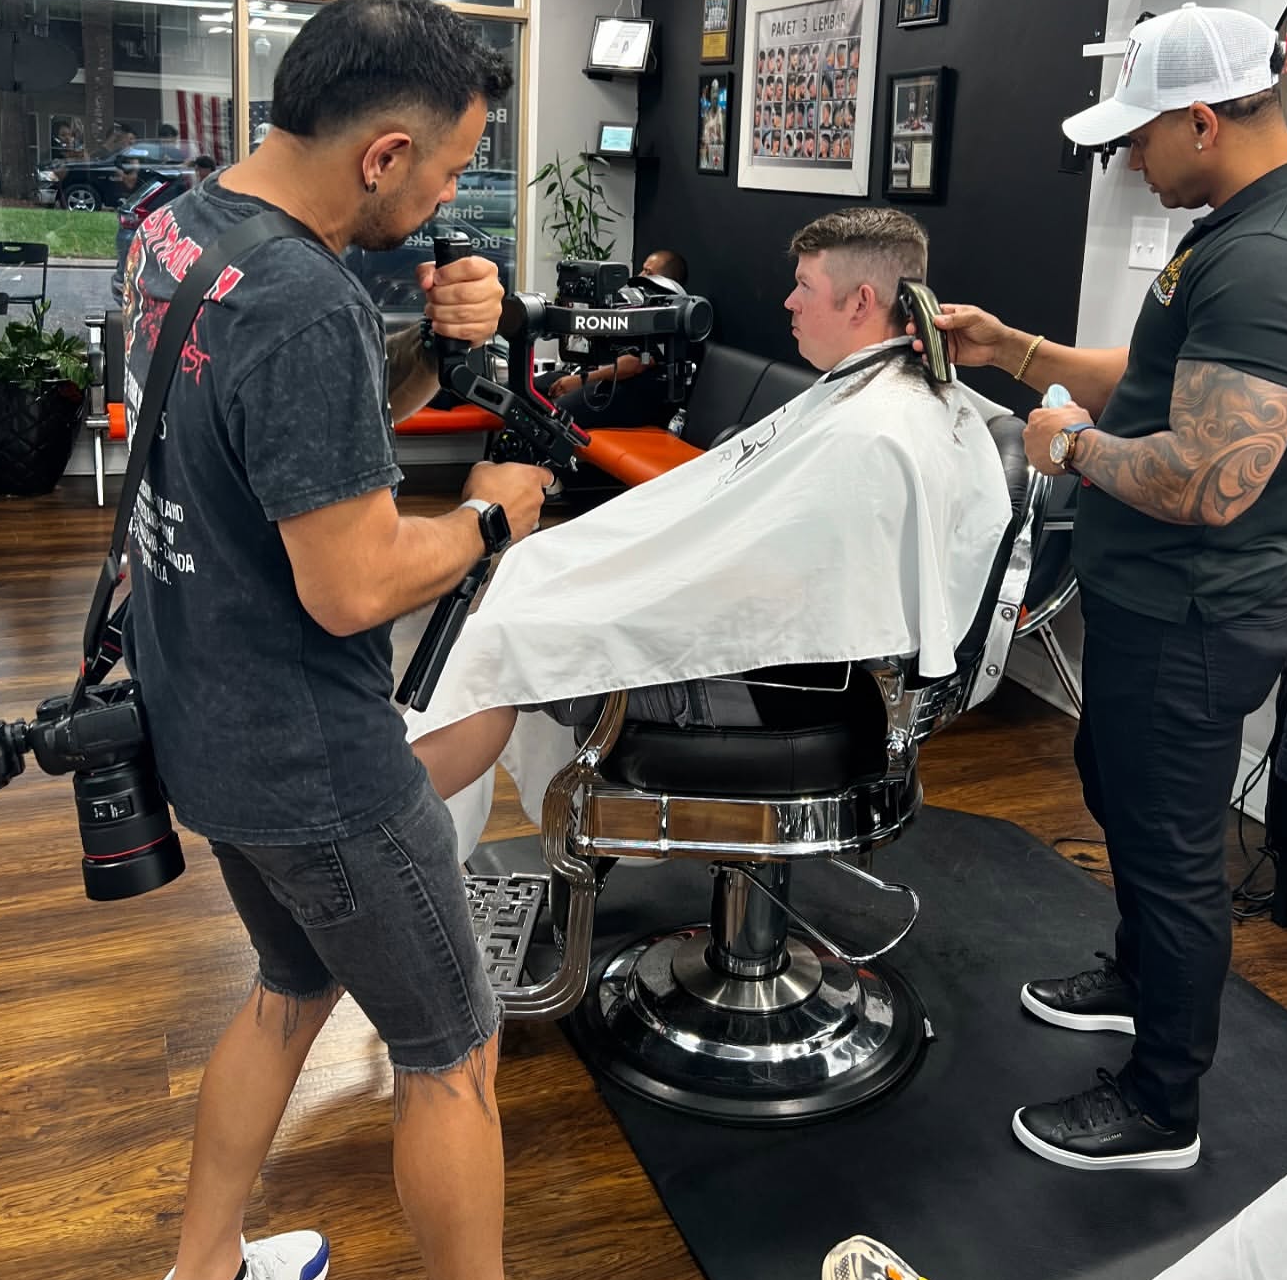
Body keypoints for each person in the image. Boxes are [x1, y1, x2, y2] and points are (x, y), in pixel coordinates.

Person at [122, 0, 552, 1280]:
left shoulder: (180, 231)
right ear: (384, 153)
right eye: (448, 169)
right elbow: (354, 586)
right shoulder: (306, 300)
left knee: (289, 992)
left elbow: (293, 434)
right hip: (318, 764)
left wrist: (427, 348)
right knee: (453, 1053)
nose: (445, 199)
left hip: (202, 723)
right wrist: (491, 513)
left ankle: (205, 1272)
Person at [916, 5, 1287, 1174]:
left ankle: (1164, 1106)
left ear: (1202, 122)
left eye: (1138, 138)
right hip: (1152, 602)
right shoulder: (1238, 229)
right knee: (1115, 793)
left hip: (1193, 617)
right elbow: (1159, 377)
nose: (1128, 161)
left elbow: (1212, 476)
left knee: (1172, 860)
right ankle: (1136, 980)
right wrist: (1015, 350)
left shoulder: (1272, 259)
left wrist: (1064, 447)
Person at [405, 207, 1011, 861]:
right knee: (533, 579)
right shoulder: (891, 400)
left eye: (804, 286)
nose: (789, 302)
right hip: (785, 660)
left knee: (501, 639)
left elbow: (770, 588)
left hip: (774, 687)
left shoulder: (873, 432)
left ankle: (388, 856)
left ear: (861, 301)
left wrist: (626, 590)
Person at [544, 248, 692, 430]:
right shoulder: (637, 307)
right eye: (643, 269)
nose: (640, 276)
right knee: (536, 386)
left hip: (633, 394)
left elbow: (636, 364)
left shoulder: (668, 319)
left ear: (668, 281)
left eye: (648, 272)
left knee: (557, 412)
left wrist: (582, 380)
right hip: (608, 379)